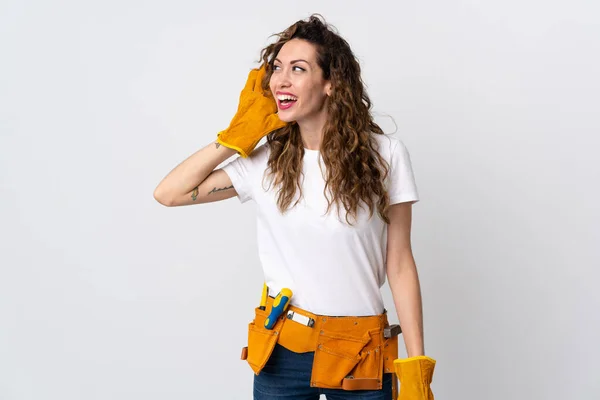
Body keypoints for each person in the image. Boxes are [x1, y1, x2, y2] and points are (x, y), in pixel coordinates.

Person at [154, 14, 436, 400]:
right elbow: (168, 193)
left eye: (298, 69)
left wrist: (416, 366)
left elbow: (400, 262)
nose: (280, 80)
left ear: (331, 83)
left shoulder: (384, 156)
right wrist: (235, 137)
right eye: (277, 68)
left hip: (360, 352)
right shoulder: (263, 161)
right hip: (281, 350)